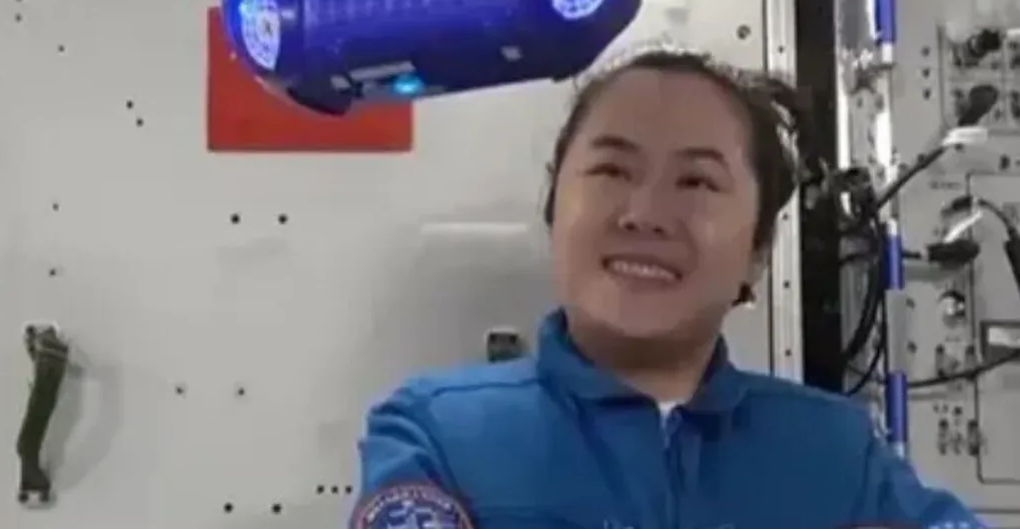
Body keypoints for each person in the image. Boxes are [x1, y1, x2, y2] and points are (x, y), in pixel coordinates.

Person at [350, 48, 985, 529]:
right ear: (554, 209)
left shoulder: (837, 455)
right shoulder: (438, 433)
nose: (645, 214)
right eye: (611, 170)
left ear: (758, 252)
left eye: (697, 182)